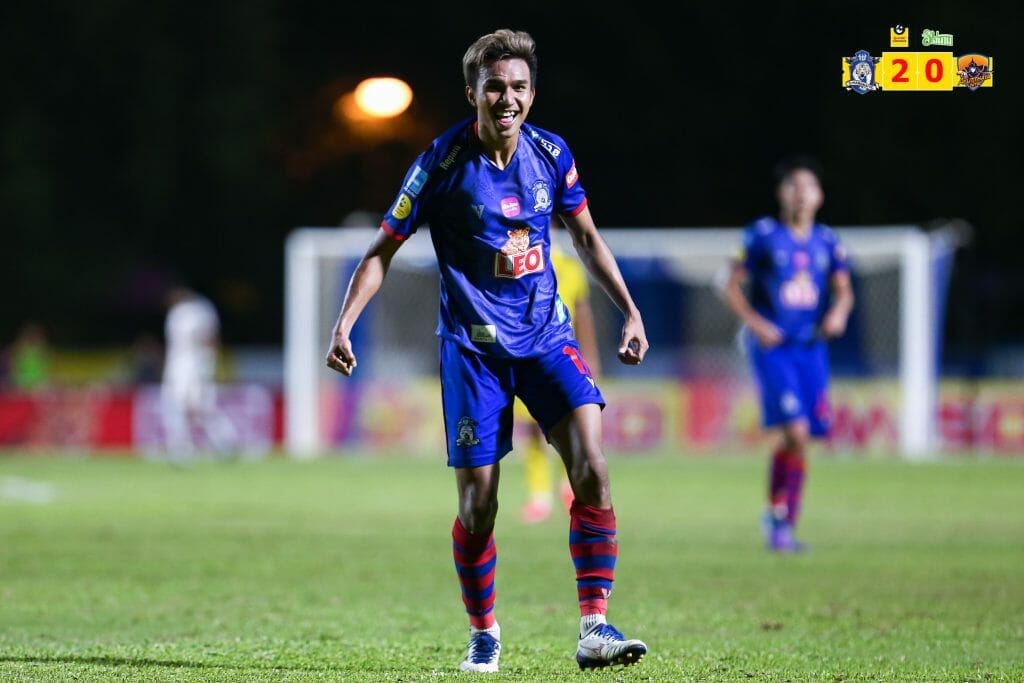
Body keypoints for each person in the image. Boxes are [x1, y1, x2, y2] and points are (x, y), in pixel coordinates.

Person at [325, 29, 650, 673]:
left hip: (546, 337)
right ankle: (484, 631)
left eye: (519, 87)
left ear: (532, 93)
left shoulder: (552, 154)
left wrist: (630, 310)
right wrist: (344, 324)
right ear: (472, 92)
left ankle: (594, 627)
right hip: (473, 351)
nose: (508, 99)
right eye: (495, 86)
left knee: (592, 466)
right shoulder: (440, 164)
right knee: (479, 506)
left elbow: (586, 238)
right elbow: (382, 251)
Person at [722, 155, 855, 553]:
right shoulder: (762, 235)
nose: (800, 194)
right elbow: (730, 285)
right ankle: (782, 523)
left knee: (801, 438)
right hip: (773, 348)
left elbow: (844, 291)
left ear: (820, 196)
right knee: (795, 432)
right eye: (793, 186)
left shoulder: (827, 241)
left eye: (808, 187)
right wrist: (757, 325)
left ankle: (778, 518)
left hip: (811, 348)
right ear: (781, 193)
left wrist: (838, 313)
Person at [519, 223, 601, 524]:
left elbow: (583, 314)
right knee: (534, 429)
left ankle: (569, 484)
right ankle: (540, 496)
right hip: (527, 355)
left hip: (564, 356)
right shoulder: (519, 264)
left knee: (573, 424)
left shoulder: (570, 268)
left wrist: (591, 357)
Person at [160, 286, 237, 460]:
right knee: (177, 405)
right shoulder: (177, 313)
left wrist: (219, 365)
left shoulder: (200, 310)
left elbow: (211, 339)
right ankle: (181, 448)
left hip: (197, 364)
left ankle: (224, 442)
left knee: (201, 406)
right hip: (180, 365)